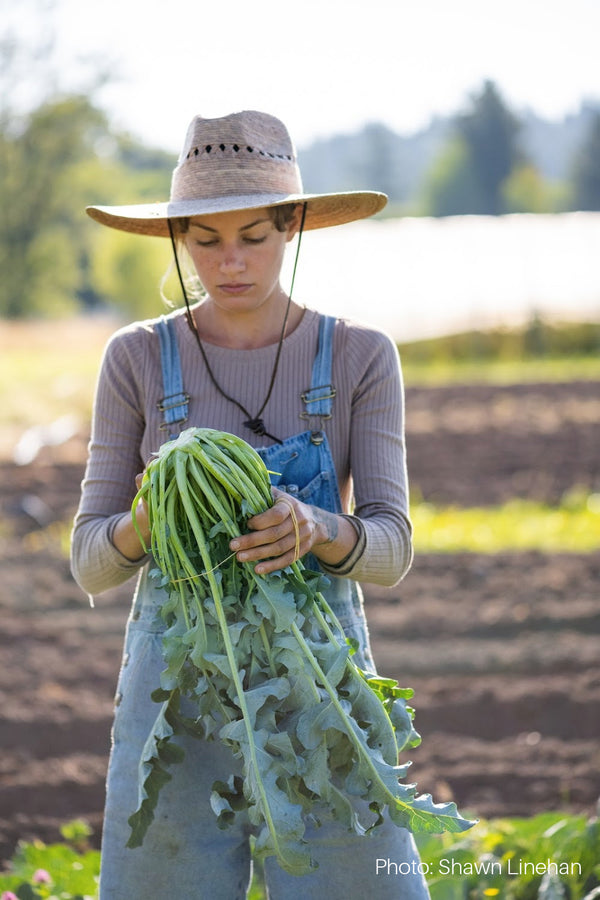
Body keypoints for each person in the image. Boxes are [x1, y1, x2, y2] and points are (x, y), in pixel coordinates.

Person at [71, 110, 428, 899]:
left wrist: (317, 527)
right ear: (177, 239)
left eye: (255, 238)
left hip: (320, 695)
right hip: (179, 710)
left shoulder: (361, 355)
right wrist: (144, 524)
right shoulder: (134, 358)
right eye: (205, 240)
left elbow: (393, 548)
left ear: (293, 225)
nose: (229, 263)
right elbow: (89, 561)